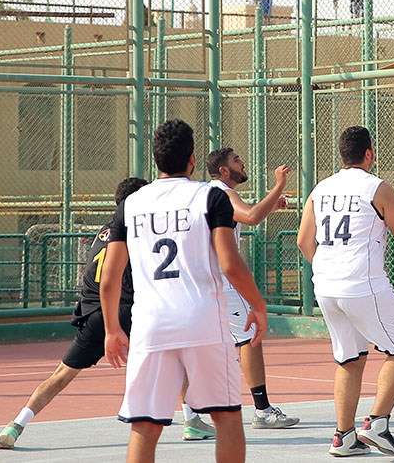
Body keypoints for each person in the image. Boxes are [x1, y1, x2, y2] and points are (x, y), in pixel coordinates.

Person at [0, 179, 221, 448]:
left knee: (60, 376)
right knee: (176, 356)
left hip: (93, 314)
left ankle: (16, 425)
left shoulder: (103, 232)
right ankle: (192, 421)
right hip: (126, 311)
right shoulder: (138, 232)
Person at [100, 119, 268, 463]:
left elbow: (110, 277)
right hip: (203, 320)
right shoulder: (209, 196)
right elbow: (231, 264)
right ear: (192, 159)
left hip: (150, 324)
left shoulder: (130, 204)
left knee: (145, 426)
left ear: (156, 159)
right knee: (226, 416)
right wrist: (258, 305)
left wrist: (111, 329)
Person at [297, 126, 394, 457]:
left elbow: (304, 241)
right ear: (369, 153)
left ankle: (343, 437)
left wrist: (330, 268)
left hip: (325, 286)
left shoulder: (320, 189)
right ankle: (377, 423)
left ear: (342, 155)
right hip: (362, 284)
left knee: (350, 360)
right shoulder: (377, 188)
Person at [206, 148, 299, 429]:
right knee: (250, 338)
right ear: (223, 170)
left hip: (199, 278)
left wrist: (270, 204)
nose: (243, 163)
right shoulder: (222, 192)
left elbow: (248, 214)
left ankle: (189, 415)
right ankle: (262, 410)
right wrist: (278, 186)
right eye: (236, 161)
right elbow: (251, 217)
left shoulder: (207, 192)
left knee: (195, 342)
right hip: (222, 278)